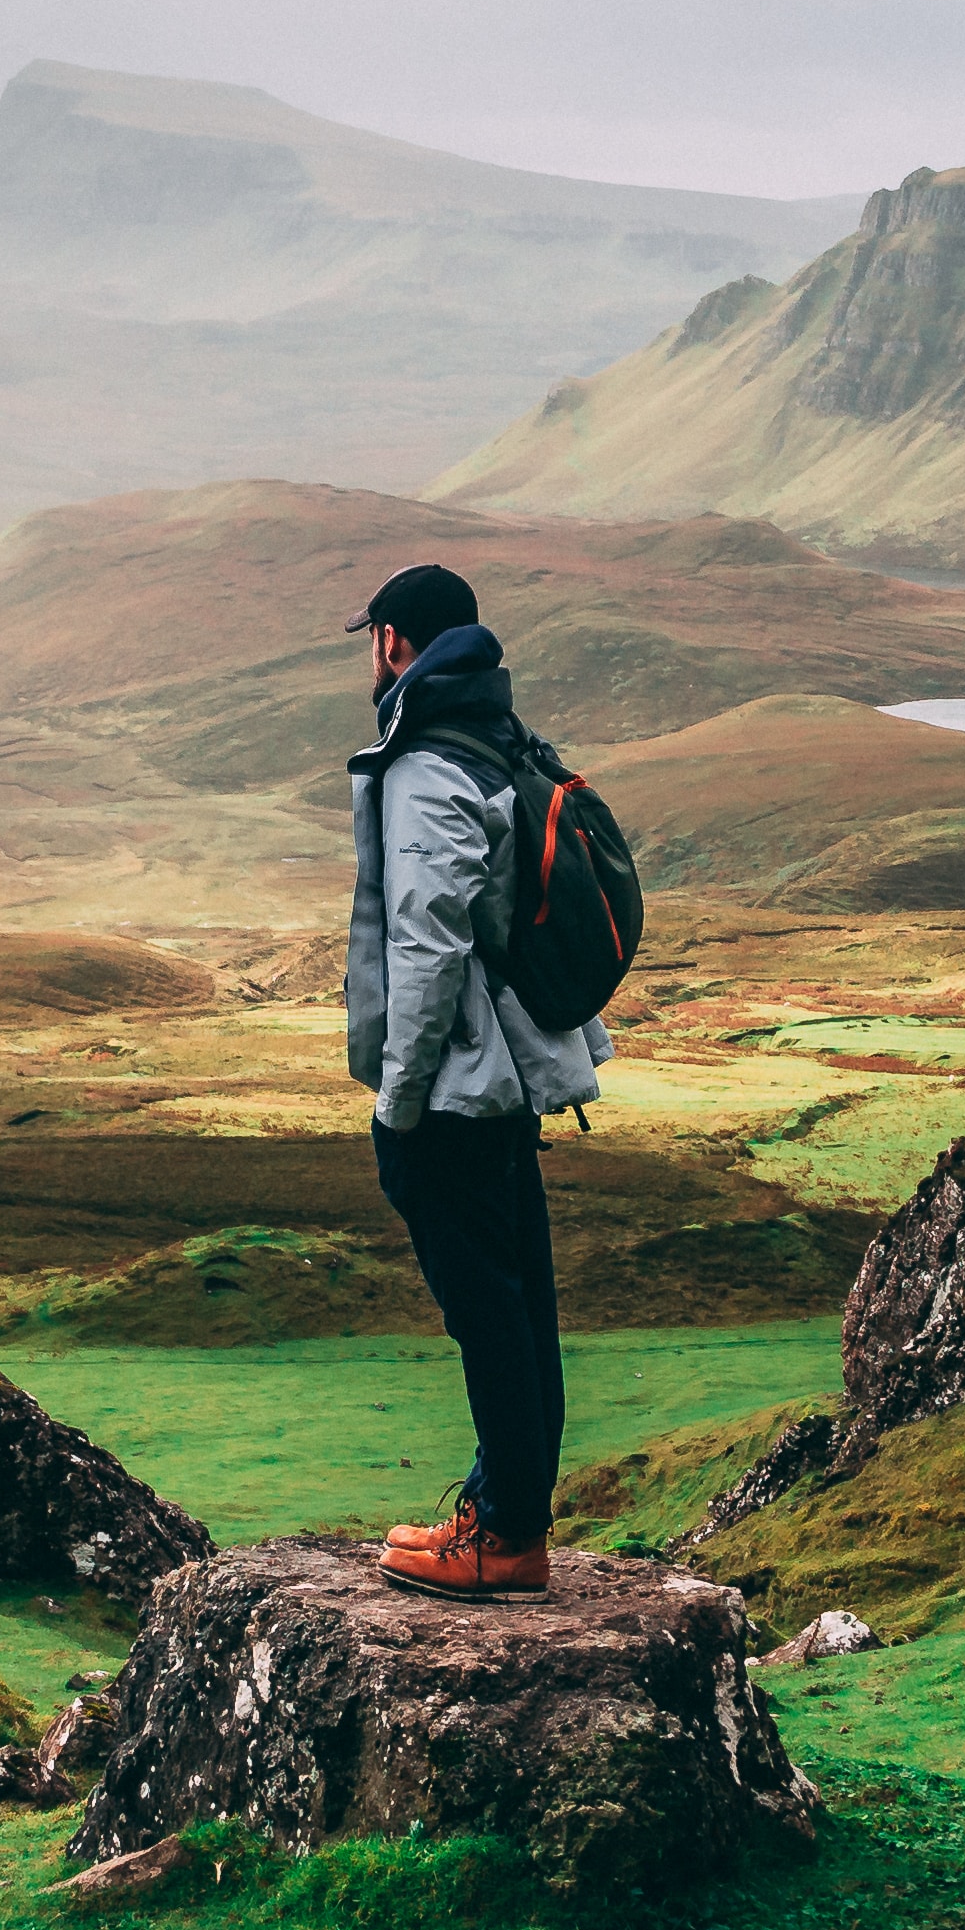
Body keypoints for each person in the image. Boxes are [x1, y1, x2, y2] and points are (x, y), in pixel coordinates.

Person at [343, 561, 608, 1600]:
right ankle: (502, 1509)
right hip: (511, 1079)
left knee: (485, 1307)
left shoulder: (426, 761)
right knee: (518, 1297)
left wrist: (398, 1102)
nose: (372, 655)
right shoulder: (497, 734)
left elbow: (427, 943)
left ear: (395, 643)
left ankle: (503, 1538)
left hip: (459, 1087)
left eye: (373, 638)